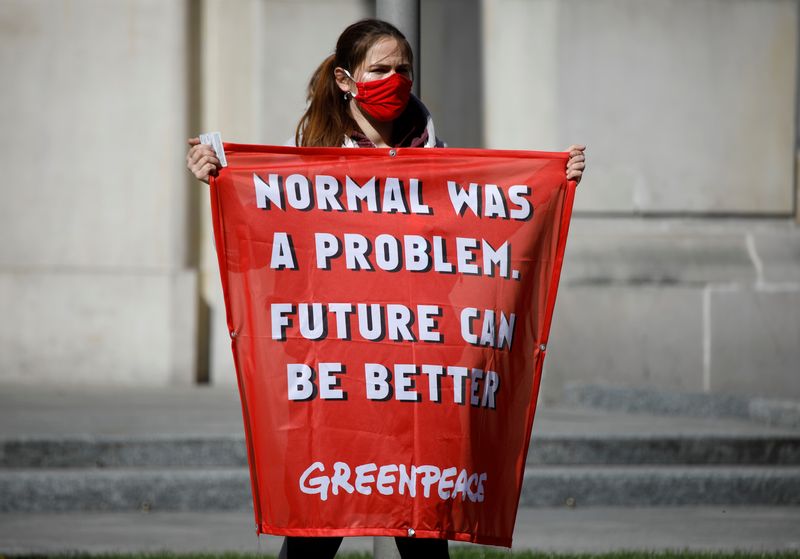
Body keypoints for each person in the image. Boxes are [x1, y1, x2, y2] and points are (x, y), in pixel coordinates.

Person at [186, 18, 585, 559]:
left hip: (413, 361)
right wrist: (217, 175)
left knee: (420, 523)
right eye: (380, 70)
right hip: (334, 357)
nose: (395, 79)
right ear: (348, 80)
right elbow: (263, 230)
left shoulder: (436, 154)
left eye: (404, 70)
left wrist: (554, 181)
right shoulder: (307, 151)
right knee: (318, 527)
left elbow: (483, 228)